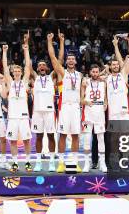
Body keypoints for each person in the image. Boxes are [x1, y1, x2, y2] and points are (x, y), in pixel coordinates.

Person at [48, 30, 81, 172]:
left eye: (73, 59)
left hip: (76, 107)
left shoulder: (80, 75)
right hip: (65, 107)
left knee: (75, 135)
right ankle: (61, 162)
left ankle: (74, 163)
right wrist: (50, 41)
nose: (71, 61)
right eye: (69, 59)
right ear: (67, 62)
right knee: (62, 135)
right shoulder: (63, 73)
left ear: (76, 61)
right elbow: (53, 57)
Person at [1, 34, 33, 173]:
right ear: (13, 72)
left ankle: (27, 161)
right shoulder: (9, 81)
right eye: (15, 70)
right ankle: (14, 162)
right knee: (13, 140)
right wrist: (4, 52)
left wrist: (26, 50)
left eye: (19, 70)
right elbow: (4, 66)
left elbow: (28, 66)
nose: (17, 72)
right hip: (12, 116)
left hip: (24, 116)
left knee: (26, 140)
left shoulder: (25, 81)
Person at [105, 34, 129, 171]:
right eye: (113, 64)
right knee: (114, 138)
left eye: (117, 64)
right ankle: (114, 160)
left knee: (126, 138)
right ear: (110, 66)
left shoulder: (124, 75)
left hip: (124, 112)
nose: (116, 65)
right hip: (113, 113)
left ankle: (126, 160)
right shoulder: (106, 78)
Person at [30, 59, 57, 172]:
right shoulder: (34, 78)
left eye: (44, 65)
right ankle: (38, 162)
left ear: (46, 68)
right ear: (37, 69)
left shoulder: (51, 77)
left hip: (49, 111)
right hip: (37, 112)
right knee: (39, 137)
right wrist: (26, 47)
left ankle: (51, 162)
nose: (42, 66)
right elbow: (28, 67)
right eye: (40, 65)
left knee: (51, 136)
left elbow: (57, 62)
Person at [81, 64, 107, 172]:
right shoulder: (85, 83)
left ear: (99, 72)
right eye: (93, 72)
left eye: (97, 72)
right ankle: (87, 163)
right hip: (88, 114)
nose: (95, 74)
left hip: (99, 114)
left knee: (101, 139)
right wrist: (86, 101)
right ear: (90, 72)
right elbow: (81, 100)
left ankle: (102, 163)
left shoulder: (103, 83)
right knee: (87, 139)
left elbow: (105, 98)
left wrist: (105, 104)